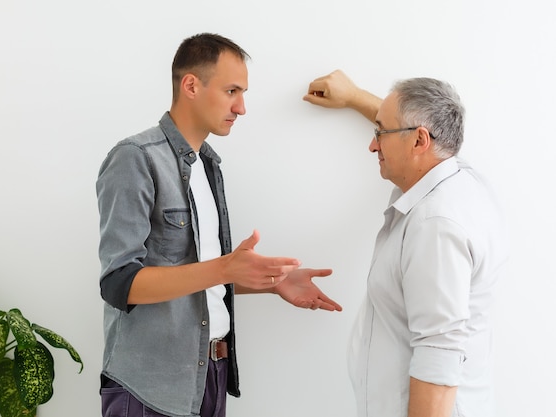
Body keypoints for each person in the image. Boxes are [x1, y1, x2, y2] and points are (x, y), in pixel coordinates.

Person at [96, 33, 342, 417]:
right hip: (150, 388)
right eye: (232, 91)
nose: (241, 107)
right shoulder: (135, 159)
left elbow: (195, 275)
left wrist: (272, 282)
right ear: (191, 85)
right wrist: (227, 267)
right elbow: (120, 284)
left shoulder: (208, 165)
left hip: (210, 377)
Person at [303, 70, 508, 417]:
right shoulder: (457, 177)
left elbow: (438, 353)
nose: (372, 144)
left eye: (380, 132)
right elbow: (412, 127)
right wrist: (354, 97)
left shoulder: (435, 226)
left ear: (419, 142)